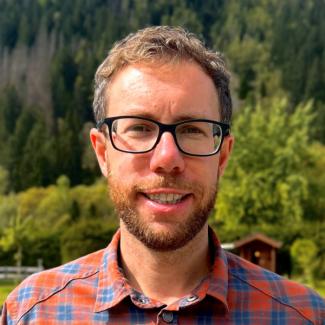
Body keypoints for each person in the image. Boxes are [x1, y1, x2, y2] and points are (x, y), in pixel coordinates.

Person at [1, 26, 324, 325]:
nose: (167, 158)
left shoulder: (303, 316)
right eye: (140, 128)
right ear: (102, 152)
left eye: (191, 130)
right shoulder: (32, 312)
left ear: (222, 156)